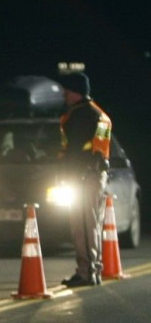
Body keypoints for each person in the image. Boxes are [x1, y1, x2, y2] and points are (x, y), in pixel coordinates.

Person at [56, 72, 111, 287]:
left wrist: (77, 171)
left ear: (75, 92)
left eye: (66, 91)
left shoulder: (88, 116)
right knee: (83, 224)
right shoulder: (84, 114)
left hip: (86, 176)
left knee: (85, 225)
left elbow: (87, 151)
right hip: (85, 175)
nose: (64, 94)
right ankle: (88, 270)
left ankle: (88, 272)